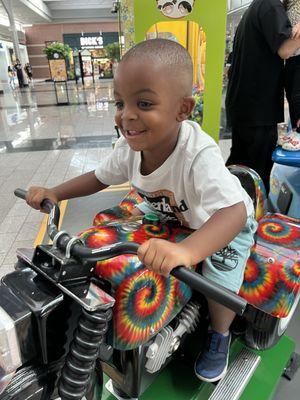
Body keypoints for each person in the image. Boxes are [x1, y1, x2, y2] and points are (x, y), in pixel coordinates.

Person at [26, 38, 257, 383]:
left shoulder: (198, 154)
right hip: (172, 216)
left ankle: (219, 335)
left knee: (218, 278)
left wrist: (186, 250)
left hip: (220, 222)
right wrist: (55, 193)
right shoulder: (130, 146)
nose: (127, 115)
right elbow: (98, 177)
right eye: (120, 102)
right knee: (102, 236)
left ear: (183, 109)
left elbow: (233, 213)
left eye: (144, 103)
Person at [225, 0, 300, 192]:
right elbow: (285, 49)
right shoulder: (270, 5)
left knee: (240, 165)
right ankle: (249, 215)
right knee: (256, 173)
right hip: (257, 105)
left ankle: (228, 208)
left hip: (245, 102)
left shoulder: (257, 6)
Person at [281, 0, 300, 150]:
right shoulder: (288, 4)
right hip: (292, 58)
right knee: (291, 94)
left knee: (297, 95)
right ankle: (295, 130)